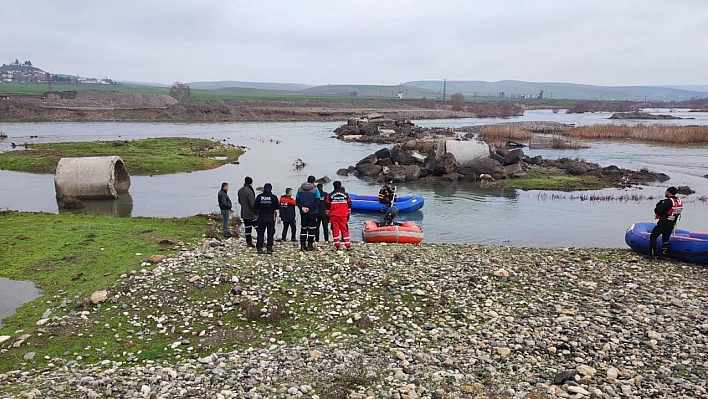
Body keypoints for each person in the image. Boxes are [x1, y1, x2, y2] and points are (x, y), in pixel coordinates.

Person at [649, 186, 683, 259]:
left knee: (653, 236)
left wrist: (659, 204)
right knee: (666, 239)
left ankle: (653, 254)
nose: (665, 193)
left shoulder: (668, 201)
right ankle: (663, 255)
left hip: (664, 222)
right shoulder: (678, 201)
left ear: (668, 192)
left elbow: (658, 210)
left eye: (666, 191)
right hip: (672, 222)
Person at [296, 175, 321, 251]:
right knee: (312, 229)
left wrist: (302, 207)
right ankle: (310, 245)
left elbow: (297, 200)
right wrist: (309, 208)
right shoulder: (316, 190)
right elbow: (317, 201)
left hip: (303, 212)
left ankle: (302, 245)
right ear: (314, 181)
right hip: (312, 212)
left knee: (303, 228)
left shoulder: (300, 189)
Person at [325, 180, 352, 251]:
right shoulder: (346, 195)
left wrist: (328, 215)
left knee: (335, 230)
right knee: (345, 230)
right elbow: (349, 205)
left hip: (333, 216)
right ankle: (348, 245)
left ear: (333, 186)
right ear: (340, 186)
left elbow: (327, 206)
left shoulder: (330, 195)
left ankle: (337, 245)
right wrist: (348, 214)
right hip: (343, 215)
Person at [253, 183, 279, 254]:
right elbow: (277, 207)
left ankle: (259, 247)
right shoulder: (273, 197)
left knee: (260, 233)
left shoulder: (259, 197)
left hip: (261, 217)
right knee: (270, 233)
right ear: (271, 189)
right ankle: (269, 248)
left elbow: (255, 206)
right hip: (270, 217)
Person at [237, 176, 257, 248]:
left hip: (244, 213)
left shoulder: (240, 190)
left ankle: (249, 242)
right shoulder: (249, 191)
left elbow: (239, 201)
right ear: (250, 183)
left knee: (247, 228)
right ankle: (260, 241)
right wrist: (256, 211)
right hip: (251, 214)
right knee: (258, 228)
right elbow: (252, 203)